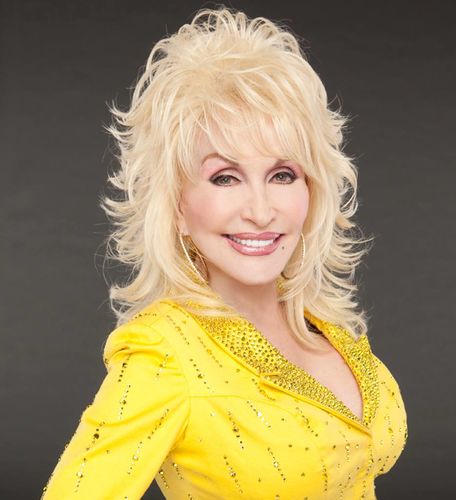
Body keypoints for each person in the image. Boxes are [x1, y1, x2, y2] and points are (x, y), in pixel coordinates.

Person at [41, 7, 407, 499]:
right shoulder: (165, 355)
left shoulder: (327, 326)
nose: (261, 211)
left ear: (312, 190)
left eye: (282, 175)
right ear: (176, 207)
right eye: (225, 177)